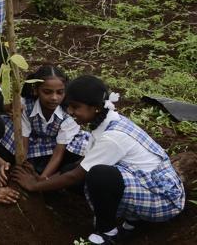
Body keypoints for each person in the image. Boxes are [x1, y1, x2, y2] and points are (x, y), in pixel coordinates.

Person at [12, 76, 185, 245]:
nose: (70, 112)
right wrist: (44, 179)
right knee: (72, 169)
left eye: (75, 107)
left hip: (164, 199)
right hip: (147, 183)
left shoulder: (112, 137)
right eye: (69, 106)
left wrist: (34, 186)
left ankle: (108, 232)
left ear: (94, 108)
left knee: (98, 175)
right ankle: (134, 221)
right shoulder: (106, 122)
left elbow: (76, 176)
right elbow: (75, 169)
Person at [0, 65, 90, 178]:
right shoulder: (25, 106)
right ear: (36, 90)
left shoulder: (69, 113)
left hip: (57, 145)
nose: (54, 97)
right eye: (47, 92)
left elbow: (58, 154)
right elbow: (23, 144)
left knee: (80, 151)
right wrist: (21, 170)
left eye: (60, 92)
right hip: (32, 140)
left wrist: (41, 180)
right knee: (7, 127)